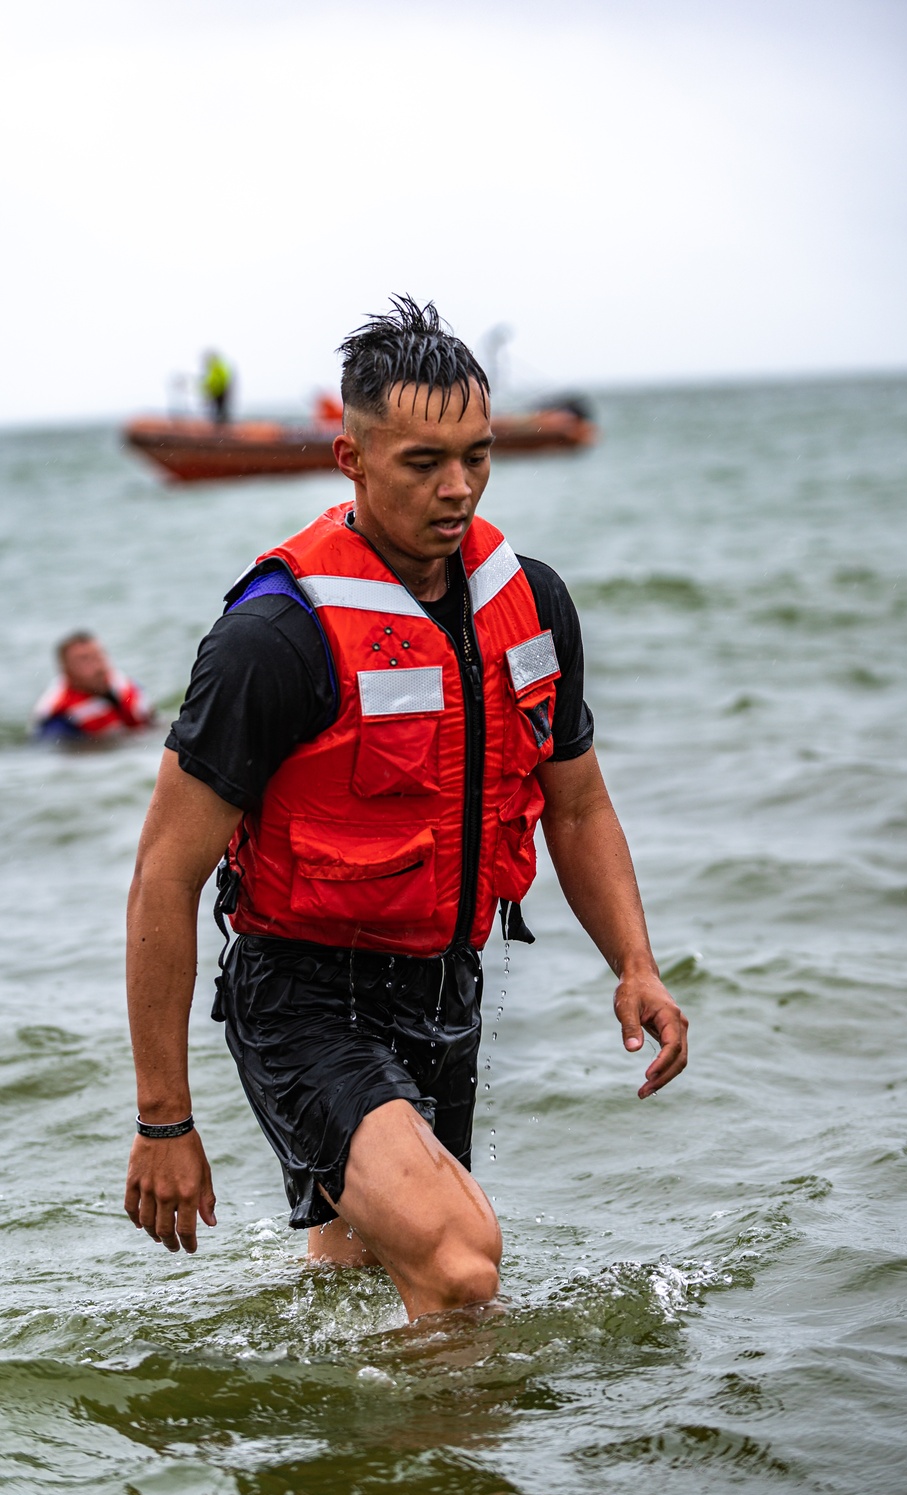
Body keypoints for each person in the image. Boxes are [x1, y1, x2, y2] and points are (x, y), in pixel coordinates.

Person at [124, 296, 688, 1323]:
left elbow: (577, 803)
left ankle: (395, 1469)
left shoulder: (533, 602)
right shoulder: (274, 637)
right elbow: (166, 871)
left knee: (368, 1295)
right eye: (425, 462)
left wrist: (635, 965)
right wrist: (165, 1121)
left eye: (477, 456)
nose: (459, 487)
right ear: (350, 456)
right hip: (301, 995)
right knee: (463, 1259)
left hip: (443, 988)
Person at [31, 632, 156, 741]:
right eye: (85, 660)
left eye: (98, 655)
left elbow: (152, 722)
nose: (98, 666)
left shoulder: (123, 685)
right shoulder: (58, 717)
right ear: (66, 669)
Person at [201, 351, 233, 423]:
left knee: (220, 408)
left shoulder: (217, 367)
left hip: (220, 391)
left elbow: (220, 379)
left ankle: (221, 423)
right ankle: (220, 423)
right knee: (218, 409)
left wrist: (212, 387)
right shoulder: (213, 367)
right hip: (217, 391)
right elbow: (211, 380)